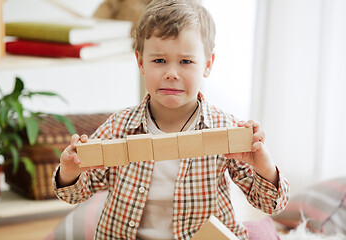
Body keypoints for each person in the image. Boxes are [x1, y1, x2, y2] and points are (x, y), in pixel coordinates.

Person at [53, 0, 290, 239]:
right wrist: (70, 170)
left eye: (186, 61)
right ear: (140, 62)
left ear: (207, 65)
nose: (172, 73)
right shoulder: (118, 126)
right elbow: (74, 195)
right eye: (159, 61)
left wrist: (264, 168)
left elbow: (270, 205)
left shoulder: (225, 129)